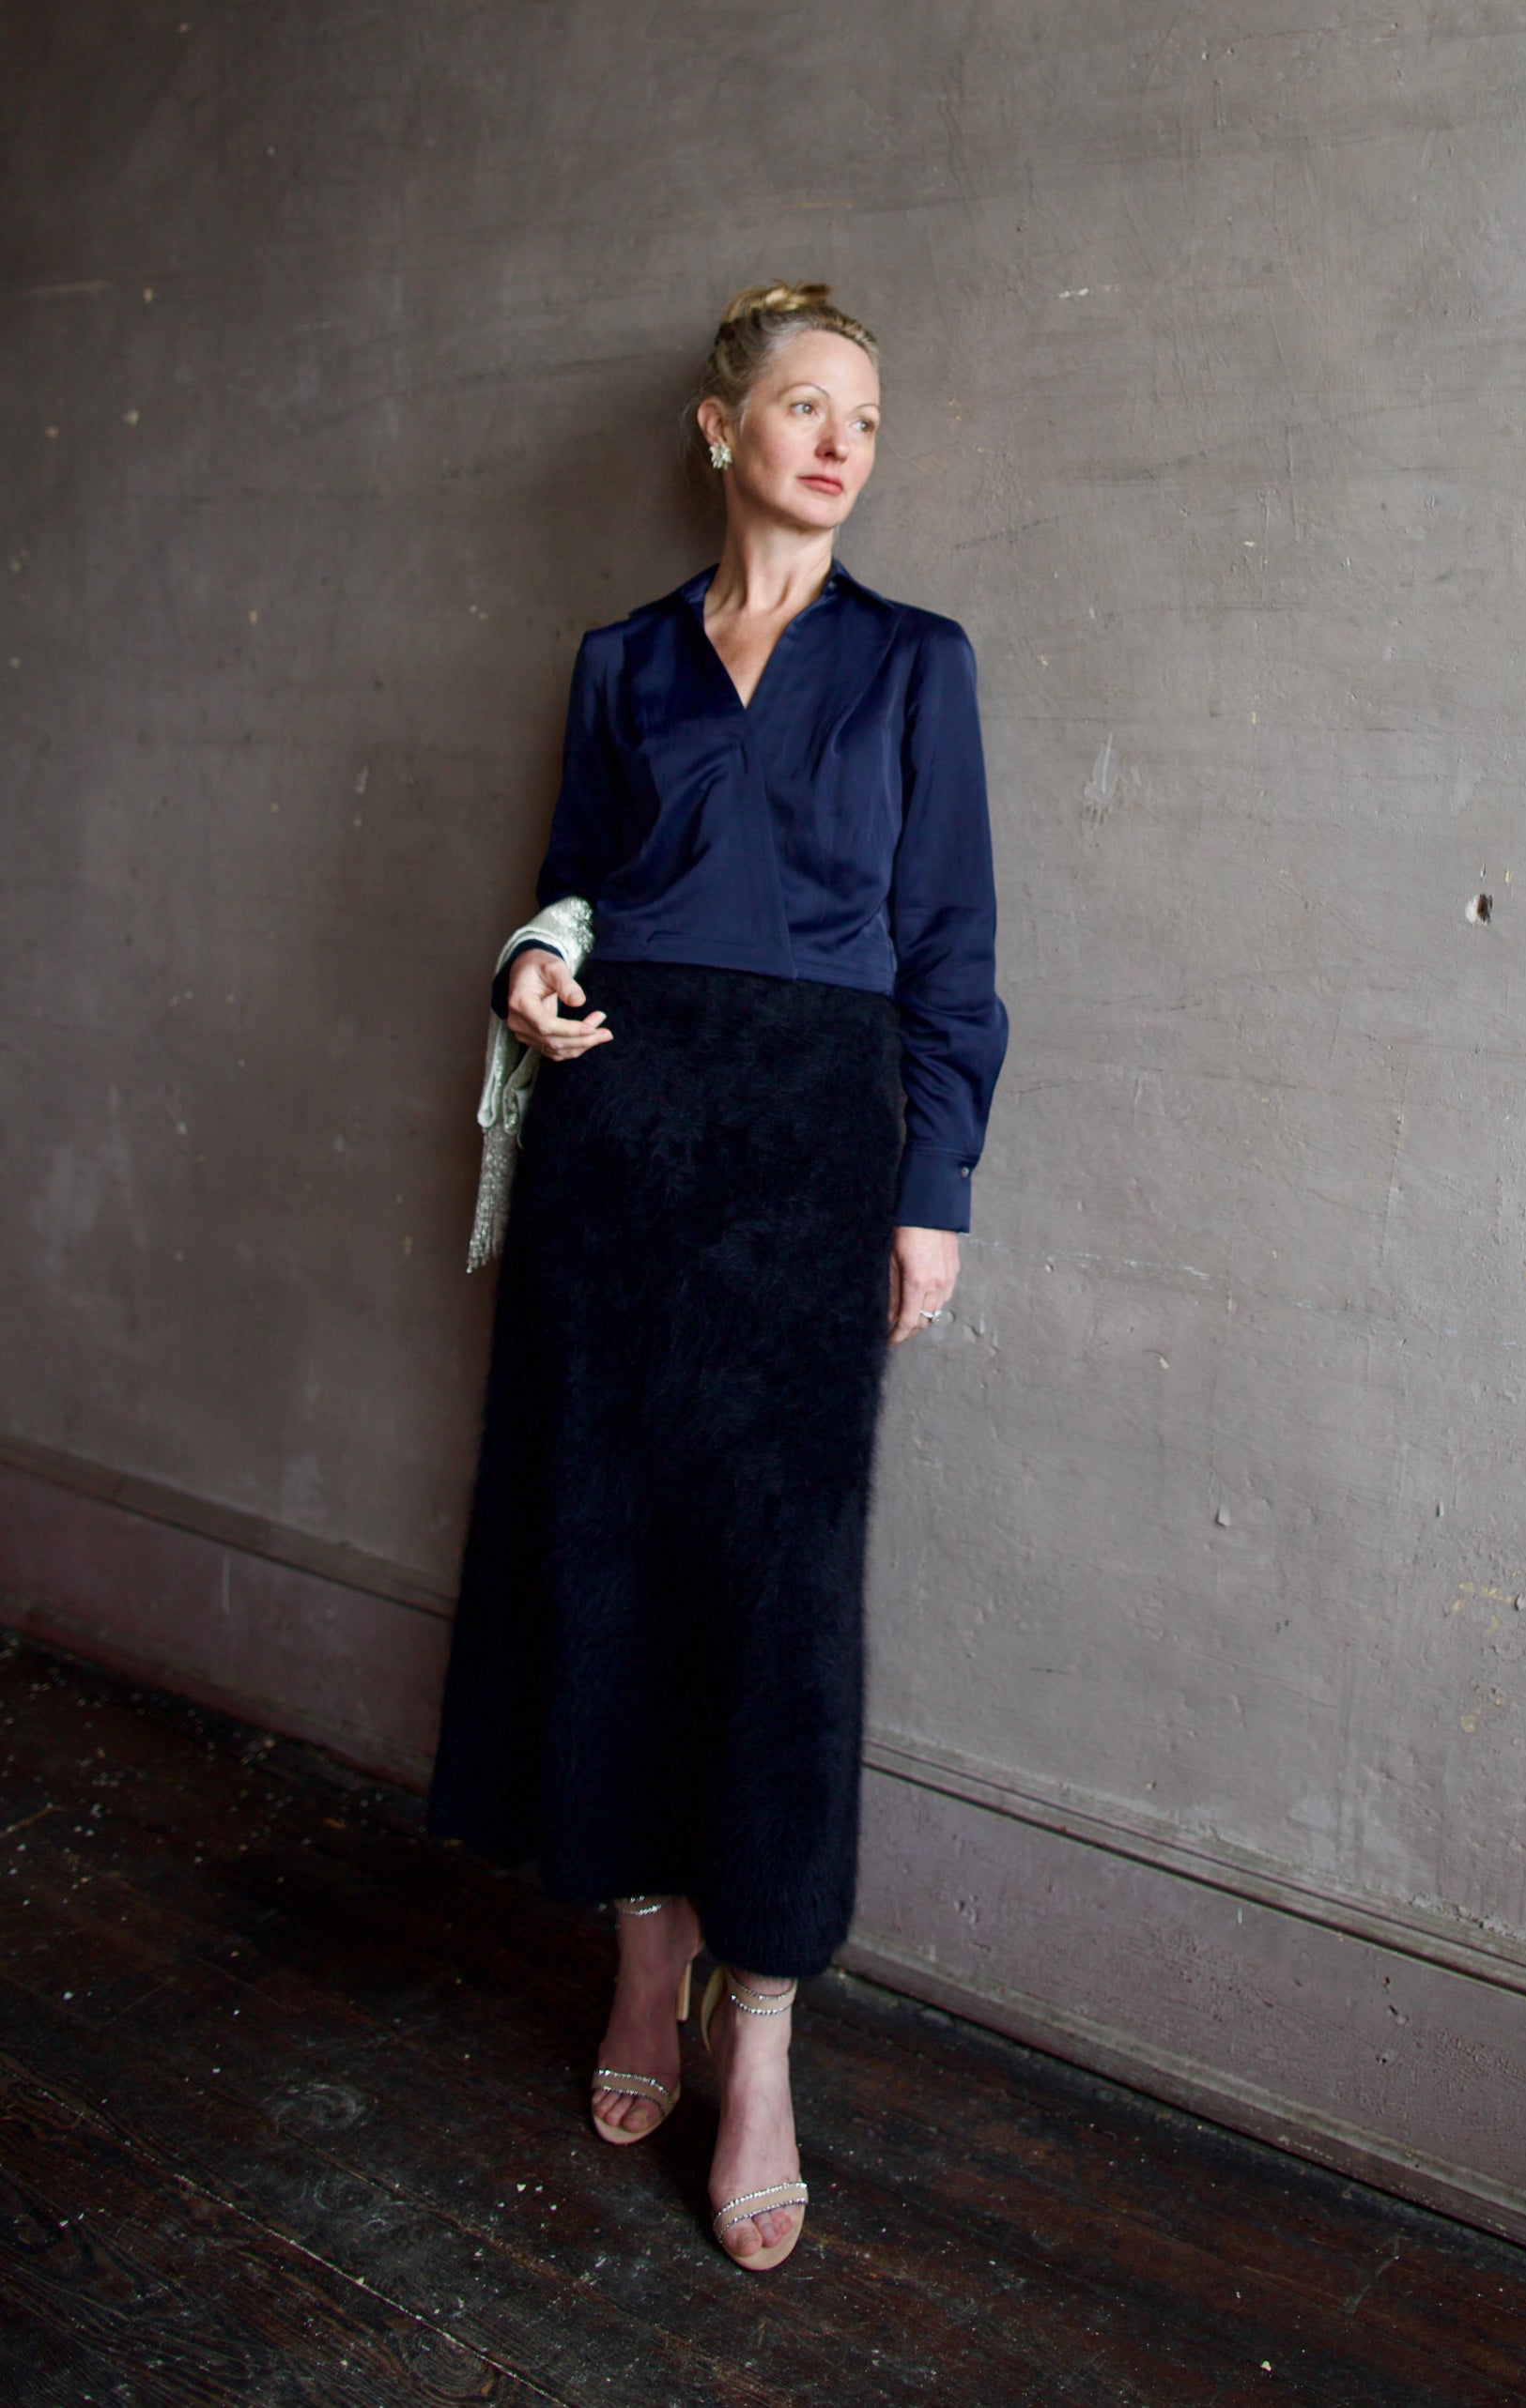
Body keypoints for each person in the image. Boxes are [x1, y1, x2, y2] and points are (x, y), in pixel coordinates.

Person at [427, 282, 1008, 2273]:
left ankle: (758, 2025)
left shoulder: (916, 667)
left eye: (865, 412)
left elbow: (953, 951)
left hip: (810, 1152)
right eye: (801, 404)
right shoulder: (615, 663)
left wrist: (930, 1187)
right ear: (716, 427)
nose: (840, 438)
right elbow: (568, 887)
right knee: (597, 1548)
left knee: (777, 1587)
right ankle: (637, 1944)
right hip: (620, 1141)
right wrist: (526, 971)